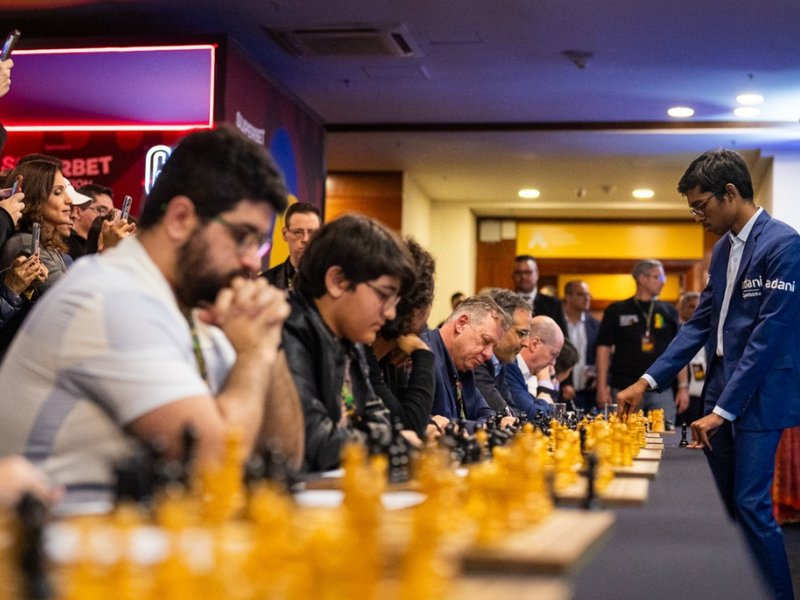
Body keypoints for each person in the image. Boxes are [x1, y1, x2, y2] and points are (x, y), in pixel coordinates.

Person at [0, 126, 304, 513]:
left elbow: (285, 461)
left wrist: (267, 342)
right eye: (243, 237)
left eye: (258, 243)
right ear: (180, 219)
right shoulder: (112, 297)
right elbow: (216, 466)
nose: (252, 261)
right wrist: (256, 356)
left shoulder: (195, 310)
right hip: (66, 560)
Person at [616, 149, 800, 600]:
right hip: (719, 385)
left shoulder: (784, 244)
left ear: (730, 193)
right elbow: (699, 324)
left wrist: (721, 411)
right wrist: (647, 381)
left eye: (701, 205)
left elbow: (767, 337)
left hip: (758, 393)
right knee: (724, 508)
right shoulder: (721, 251)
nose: (697, 215)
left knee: (751, 505)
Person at [282, 214, 416, 472]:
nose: (389, 314)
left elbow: (377, 417)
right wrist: (391, 442)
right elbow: (316, 443)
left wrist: (384, 438)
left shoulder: (349, 337)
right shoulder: (287, 329)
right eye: (383, 295)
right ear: (337, 281)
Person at [595, 259, 688, 425]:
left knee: (665, 440)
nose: (663, 282)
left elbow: (679, 350)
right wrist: (602, 387)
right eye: (658, 277)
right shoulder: (616, 310)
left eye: (663, 277)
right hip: (624, 387)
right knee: (625, 437)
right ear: (642, 279)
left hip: (661, 389)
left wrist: (683, 387)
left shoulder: (669, 311)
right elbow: (603, 349)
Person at [368, 236, 437, 441]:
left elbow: (410, 420)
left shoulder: (393, 356)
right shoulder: (360, 351)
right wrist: (422, 354)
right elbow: (409, 426)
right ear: (417, 311)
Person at [422, 295, 514, 432]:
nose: (488, 355)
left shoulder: (463, 365)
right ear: (461, 324)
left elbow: (486, 414)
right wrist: (480, 427)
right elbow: (425, 422)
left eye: (493, 347)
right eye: (485, 341)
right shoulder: (423, 357)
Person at [473, 287, 532, 416]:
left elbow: (513, 411)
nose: (526, 343)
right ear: (498, 325)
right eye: (522, 333)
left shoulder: (501, 360)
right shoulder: (476, 359)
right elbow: (502, 414)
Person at [506, 315, 565, 418]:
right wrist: (544, 399)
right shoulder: (509, 366)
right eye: (553, 354)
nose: (553, 363)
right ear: (535, 344)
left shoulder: (526, 373)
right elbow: (532, 415)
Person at [560, 279, 600, 412]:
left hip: (589, 392)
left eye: (588, 295)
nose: (587, 298)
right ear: (568, 297)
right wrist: (564, 383)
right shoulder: (557, 323)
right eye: (581, 294)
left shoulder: (595, 325)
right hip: (561, 390)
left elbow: (602, 356)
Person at [262, 201, 321, 289]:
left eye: (312, 233)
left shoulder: (332, 282)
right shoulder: (265, 283)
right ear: (285, 234)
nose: (305, 239)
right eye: (298, 232)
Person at [512, 254, 568, 335]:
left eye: (528, 272)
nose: (523, 276)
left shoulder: (553, 304)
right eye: (518, 272)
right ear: (513, 275)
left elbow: (562, 336)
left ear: (537, 274)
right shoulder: (504, 302)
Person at [675, 291, 706, 428]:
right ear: (682, 309)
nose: (695, 310)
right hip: (684, 392)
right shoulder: (677, 331)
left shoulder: (709, 330)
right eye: (691, 306)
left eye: (698, 306)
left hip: (705, 393)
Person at [67, 183, 115, 259]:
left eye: (111, 213)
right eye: (101, 210)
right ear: (77, 212)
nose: (108, 216)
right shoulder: (64, 245)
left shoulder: (104, 244)